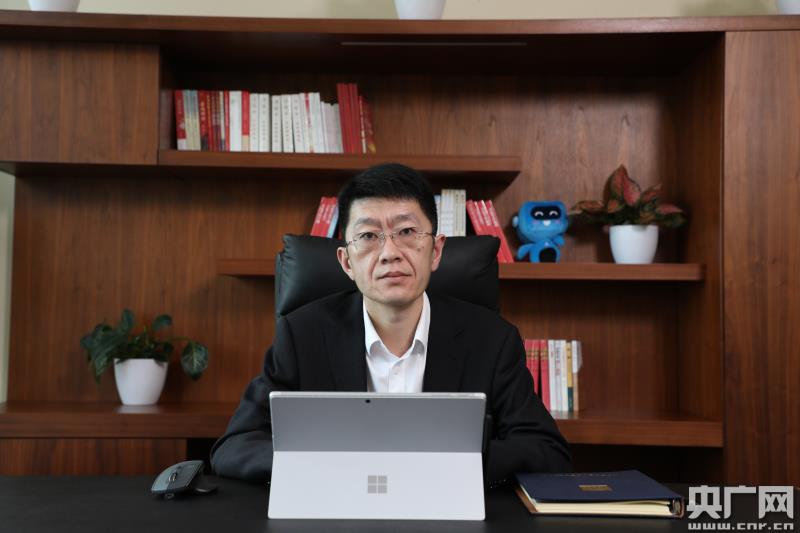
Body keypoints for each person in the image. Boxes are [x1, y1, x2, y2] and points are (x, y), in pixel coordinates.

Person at [210, 163, 571, 485]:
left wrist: (452, 463)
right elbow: (236, 445)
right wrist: (328, 467)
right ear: (346, 262)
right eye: (368, 236)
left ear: (436, 251)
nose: (390, 253)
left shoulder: (491, 339)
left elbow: (545, 450)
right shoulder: (302, 334)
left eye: (407, 232)